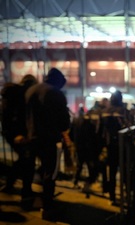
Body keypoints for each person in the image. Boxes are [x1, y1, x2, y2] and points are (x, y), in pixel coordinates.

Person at [25, 68, 71, 221]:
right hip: (49, 138)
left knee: (29, 169)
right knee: (49, 173)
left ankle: (26, 199)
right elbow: (64, 122)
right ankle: (47, 207)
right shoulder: (55, 93)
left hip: (31, 137)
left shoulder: (31, 90)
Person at [0, 74, 38, 210]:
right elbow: (20, 115)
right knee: (28, 161)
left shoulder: (13, 92)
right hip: (19, 133)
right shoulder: (23, 94)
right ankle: (26, 193)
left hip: (10, 132)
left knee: (24, 159)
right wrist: (20, 133)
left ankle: (10, 185)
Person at [101, 90, 130, 205]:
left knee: (111, 172)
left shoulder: (105, 112)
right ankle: (126, 196)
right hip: (123, 147)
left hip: (109, 147)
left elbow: (101, 131)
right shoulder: (124, 112)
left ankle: (112, 197)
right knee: (125, 172)